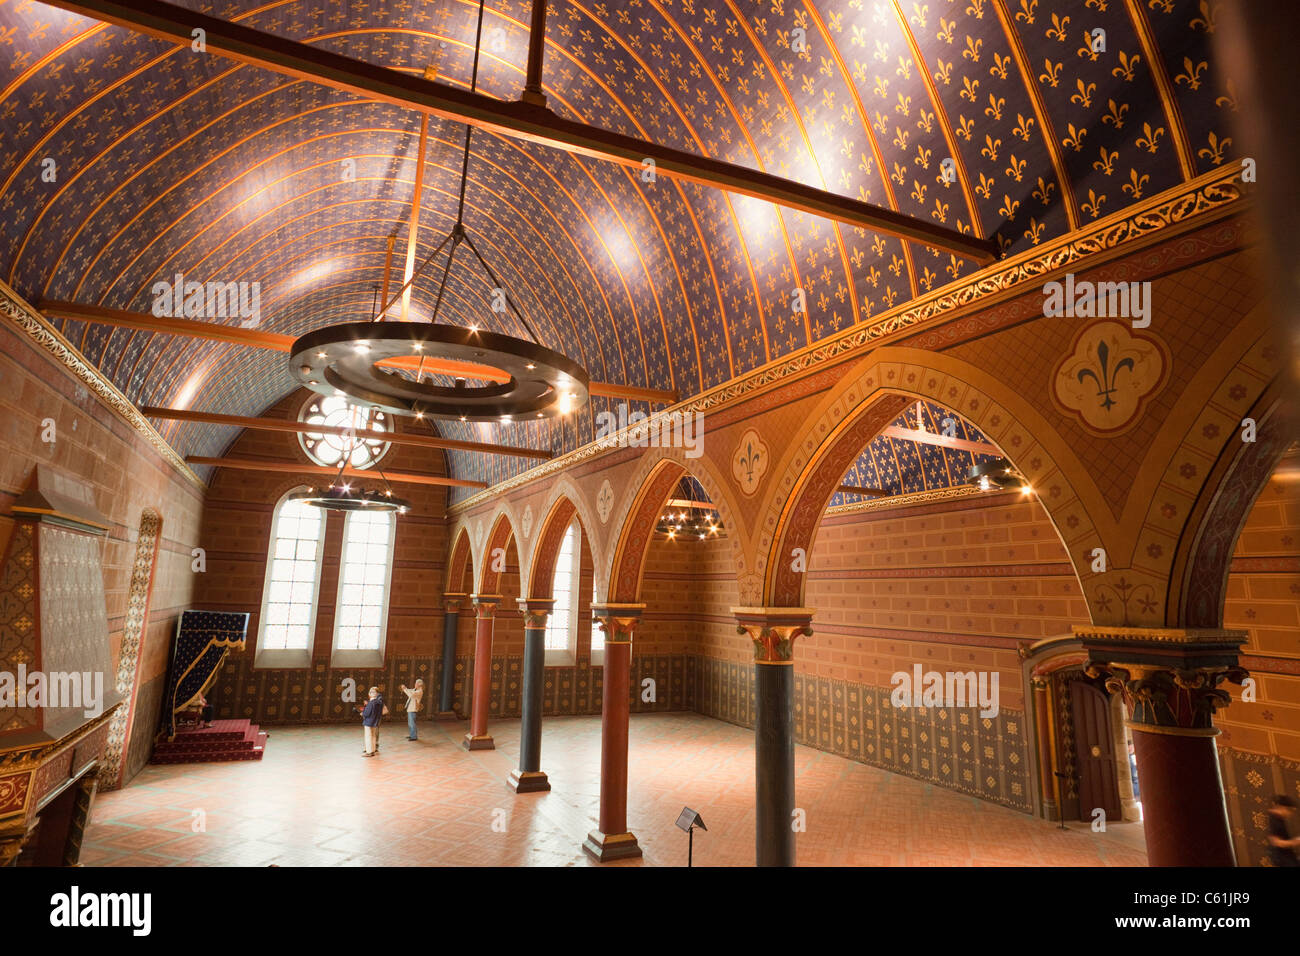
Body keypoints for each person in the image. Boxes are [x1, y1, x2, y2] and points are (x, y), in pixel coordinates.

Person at [1266, 794, 1300, 867]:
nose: (1290, 814)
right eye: (1290, 810)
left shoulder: (1279, 819)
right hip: (1282, 857)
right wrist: (1295, 842)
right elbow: (1276, 842)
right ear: (1282, 807)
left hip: (1285, 856)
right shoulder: (1274, 820)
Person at [360, 686, 387, 757]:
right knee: (373, 736)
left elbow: (367, 713)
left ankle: (369, 752)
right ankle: (373, 749)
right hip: (375, 721)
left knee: (368, 736)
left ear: (370, 694)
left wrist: (362, 713)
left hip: (369, 722)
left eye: (372, 692)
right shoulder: (380, 702)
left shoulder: (371, 702)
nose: (371, 693)